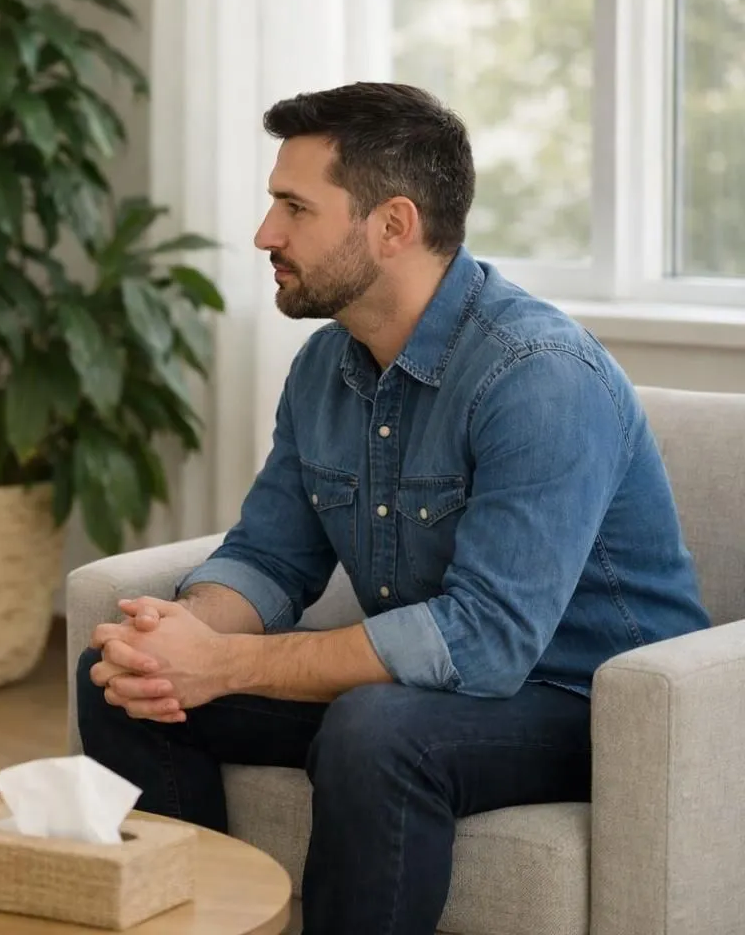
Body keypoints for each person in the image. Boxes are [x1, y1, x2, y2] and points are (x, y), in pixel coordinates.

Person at [75, 81, 711, 935]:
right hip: (447, 687)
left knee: (376, 729)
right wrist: (182, 636)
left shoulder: (539, 374)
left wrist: (227, 664)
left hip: (590, 700)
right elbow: (269, 557)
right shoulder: (324, 367)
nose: (265, 234)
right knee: (120, 679)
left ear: (394, 225)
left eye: (294, 208)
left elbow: (486, 639)